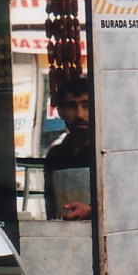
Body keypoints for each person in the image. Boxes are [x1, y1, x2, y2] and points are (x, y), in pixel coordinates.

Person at [43, 76, 92, 220]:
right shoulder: (55, 155)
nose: (80, 115)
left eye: (86, 105)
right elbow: (50, 206)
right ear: (60, 112)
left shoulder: (108, 153)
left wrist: (92, 212)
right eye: (72, 106)